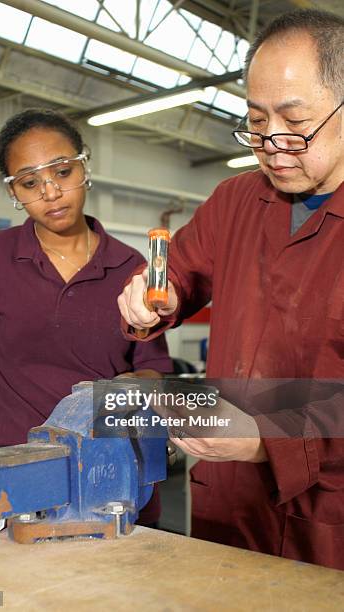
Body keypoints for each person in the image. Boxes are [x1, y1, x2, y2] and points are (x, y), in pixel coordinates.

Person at [118, 9, 344, 569]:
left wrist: (272, 436)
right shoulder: (236, 200)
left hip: (330, 521)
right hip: (229, 505)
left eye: (295, 123)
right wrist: (152, 294)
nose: (271, 143)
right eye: (256, 120)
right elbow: (176, 274)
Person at [0, 108, 172, 525]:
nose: (50, 192)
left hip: (113, 477)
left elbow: (152, 371)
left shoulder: (130, 265)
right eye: (29, 182)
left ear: (83, 166)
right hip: (24, 480)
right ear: (14, 191)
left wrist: (118, 393)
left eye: (62, 172)